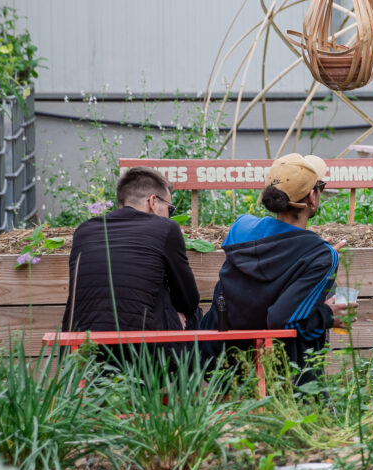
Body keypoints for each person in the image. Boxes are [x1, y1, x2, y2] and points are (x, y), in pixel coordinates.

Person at [201, 153, 340, 381]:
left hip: (221, 360)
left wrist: (319, 259)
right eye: (320, 187)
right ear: (312, 198)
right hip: (275, 372)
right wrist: (328, 314)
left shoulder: (241, 228)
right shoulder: (320, 254)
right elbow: (280, 321)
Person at [62, 166, 200, 340]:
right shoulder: (166, 228)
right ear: (153, 202)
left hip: (83, 349)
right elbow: (188, 300)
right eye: (170, 209)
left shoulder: (84, 231)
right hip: (140, 351)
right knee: (195, 315)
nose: (170, 215)